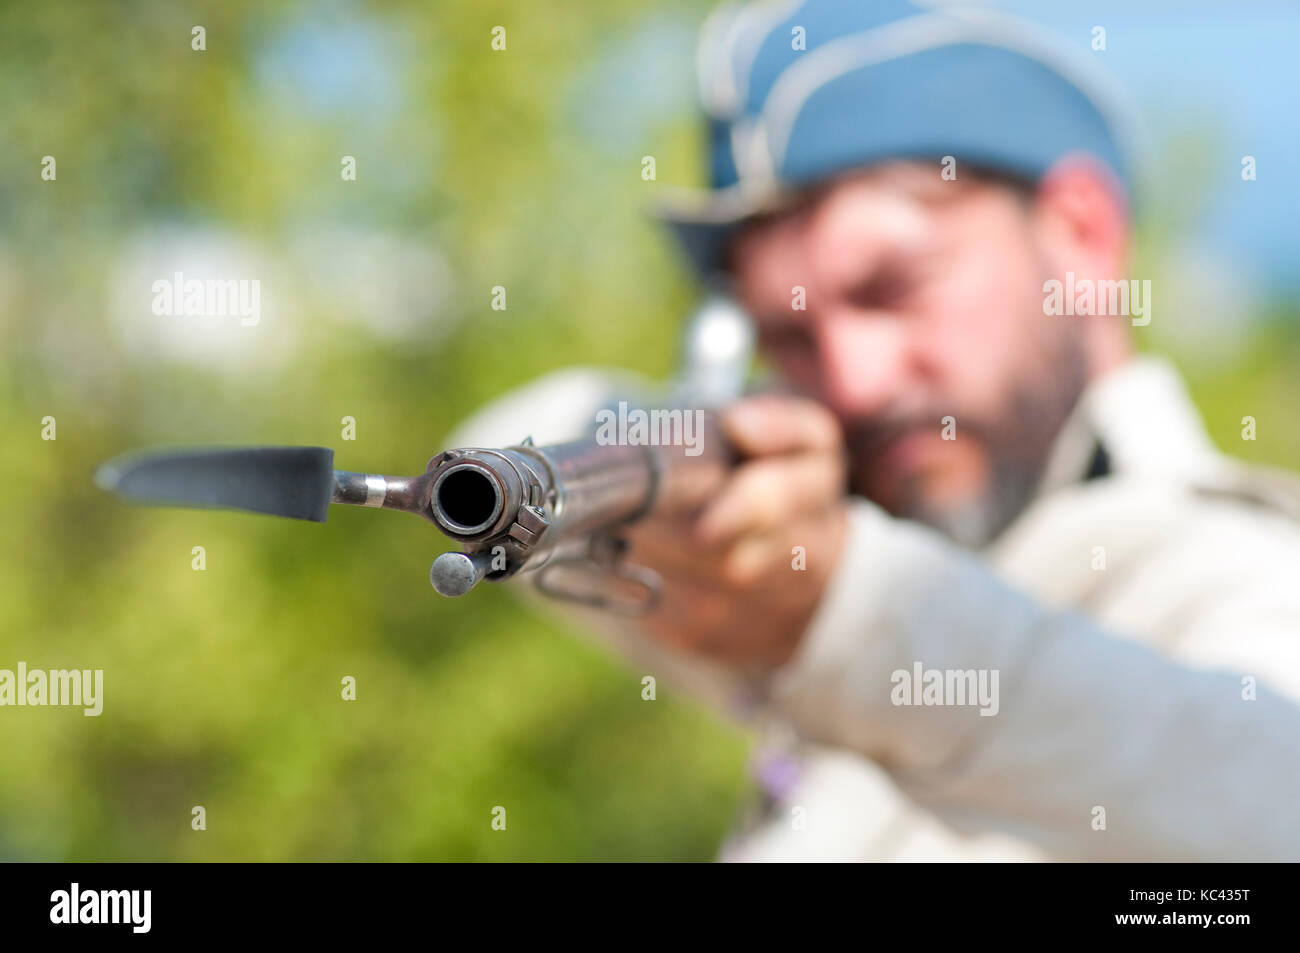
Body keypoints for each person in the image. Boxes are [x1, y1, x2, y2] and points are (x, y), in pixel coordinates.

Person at [451, 0, 1300, 860]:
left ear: (1081, 236)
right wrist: (705, 471)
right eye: (788, 334)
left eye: (893, 286)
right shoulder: (834, 546)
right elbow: (511, 435)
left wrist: (844, 613)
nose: (853, 380)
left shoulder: (1241, 571)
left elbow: (1269, 798)